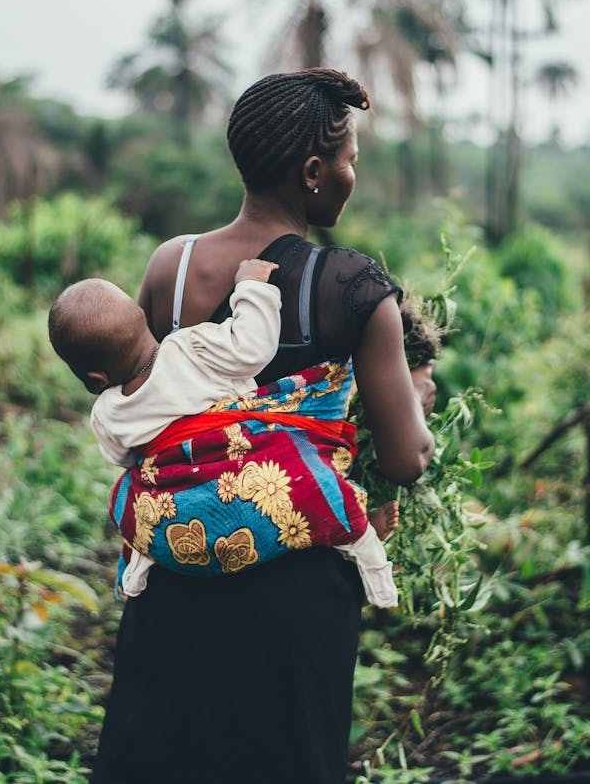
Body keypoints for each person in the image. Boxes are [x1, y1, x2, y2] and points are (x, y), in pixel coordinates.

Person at [92, 68, 436, 784]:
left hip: (176, 569)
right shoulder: (353, 287)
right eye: (349, 161)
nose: (352, 174)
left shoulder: (171, 268)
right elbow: (405, 461)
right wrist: (418, 400)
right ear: (314, 171)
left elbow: (156, 400)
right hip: (295, 593)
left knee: (164, 759)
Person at [47, 260, 399, 607]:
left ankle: (140, 563)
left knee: (129, 496)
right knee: (309, 481)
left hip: (180, 512)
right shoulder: (189, 346)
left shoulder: (107, 412)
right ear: (142, 318)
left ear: (95, 379)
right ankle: (366, 548)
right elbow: (253, 348)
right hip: (243, 475)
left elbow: (126, 459)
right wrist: (251, 287)